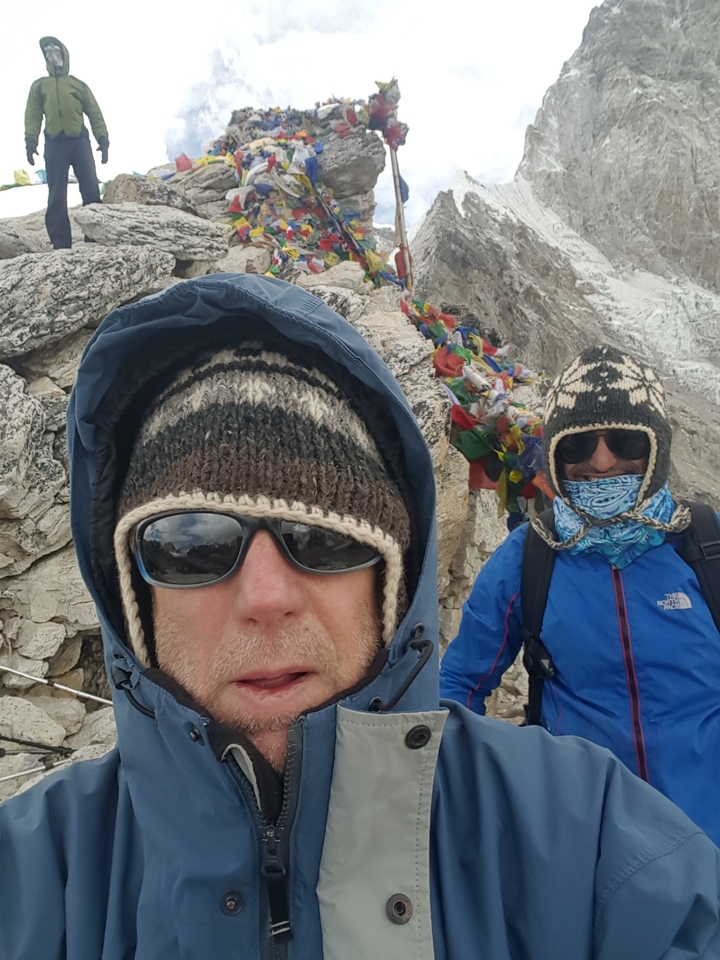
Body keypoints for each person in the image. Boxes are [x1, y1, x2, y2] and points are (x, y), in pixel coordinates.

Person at [1, 281, 720, 959]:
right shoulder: (45, 872)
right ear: (133, 592)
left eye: (327, 539)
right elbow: (467, 672)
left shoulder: (582, 831)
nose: (265, 595)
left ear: (394, 580)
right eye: (192, 545)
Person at [441, 344, 720, 846]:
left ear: (656, 450)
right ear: (555, 454)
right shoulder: (531, 557)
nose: (602, 460)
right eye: (578, 445)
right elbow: (459, 685)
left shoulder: (706, 546)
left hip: (709, 846)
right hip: (583, 853)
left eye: (626, 441)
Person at [24, 36, 109, 250]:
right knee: (56, 195)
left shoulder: (77, 85)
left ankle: (95, 237)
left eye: (55, 48)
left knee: (90, 189)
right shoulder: (39, 86)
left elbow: (94, 112)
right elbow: (32, 115)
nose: (51, 53)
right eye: (47, 50)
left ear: (64, 53)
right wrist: (30, 139)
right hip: (54, 145)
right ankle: (61, 243)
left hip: (79, 142)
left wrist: (103, 138)